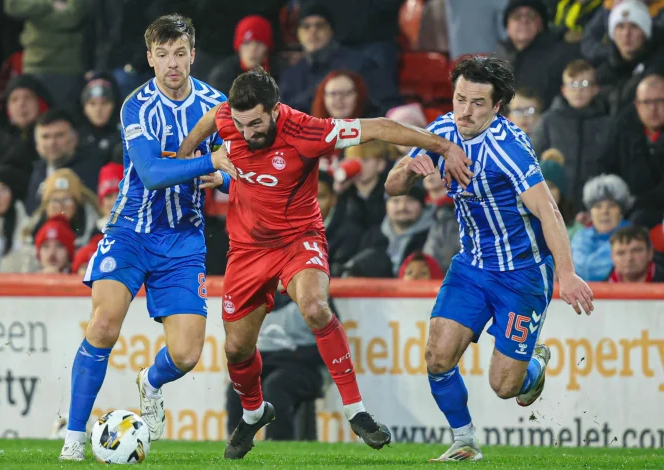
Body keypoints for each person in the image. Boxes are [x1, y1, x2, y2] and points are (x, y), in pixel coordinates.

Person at [178, 66, 472, 460]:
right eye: (242, 124)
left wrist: (443, 146)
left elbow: (381, 127)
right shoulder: (226, 115)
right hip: (247, 250)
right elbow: (199, 135)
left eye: (256, 124)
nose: (247, 133)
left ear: (275, 109)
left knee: (315, 308)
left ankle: (356, 411)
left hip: (299, 239)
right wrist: (193, 164)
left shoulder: (307, 131)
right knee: (236, 350)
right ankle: (253, 413)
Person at [384, 56, 594, 462]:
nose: (464, 110)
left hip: (522, 275)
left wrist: (565, 273)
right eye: (460, 98)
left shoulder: (509, 149)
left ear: (497, 107)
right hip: (471, 266)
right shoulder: (443, 130)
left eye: (477, 103)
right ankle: (465, 440)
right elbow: (392, 186)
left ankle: (533, 362)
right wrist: (411, 168)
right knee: (437, 355)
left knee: (505, 386)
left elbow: (548, 211)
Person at [58, 14, 237, 461]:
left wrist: (225, 178)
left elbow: (241, 175)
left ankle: (151, 382)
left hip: (183, 241)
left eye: (180, 54)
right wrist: (210, 163)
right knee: (102, 324)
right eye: (163, 55)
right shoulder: (135, 106)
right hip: (130, 231)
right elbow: (153, 173)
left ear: (193, 55)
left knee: (188, 353)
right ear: (150, 58)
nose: (172, 64)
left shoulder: (218, 107)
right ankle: (75, 439)